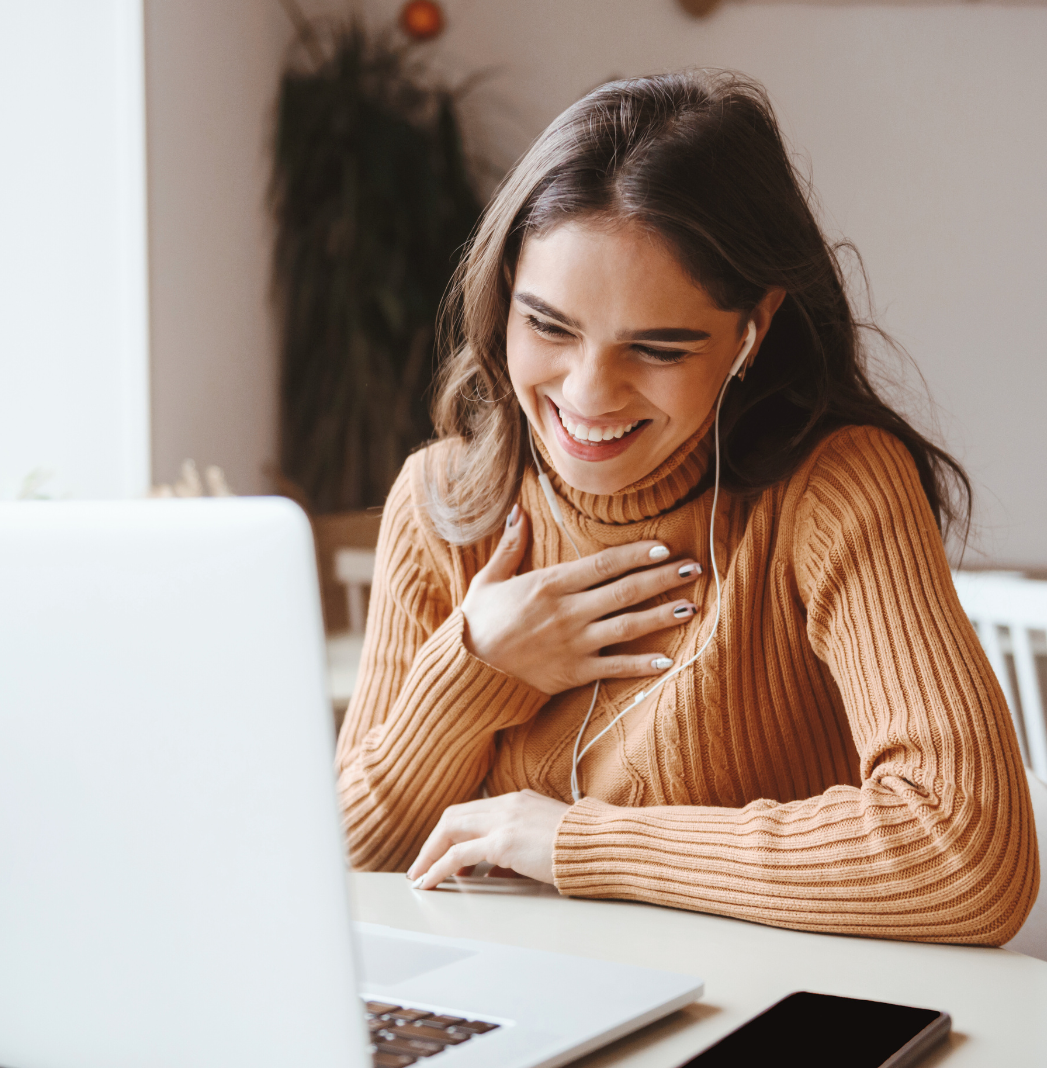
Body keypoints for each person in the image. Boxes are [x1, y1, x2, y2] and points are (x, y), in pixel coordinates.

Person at [336, 71, 1037, 944]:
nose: (587, 396)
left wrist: (579, 844)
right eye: (548, 326)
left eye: (658, 347)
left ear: (752, 330)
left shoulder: (836, 488)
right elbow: (346, 862)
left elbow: (966, 856)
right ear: (505, 290)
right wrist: (479, 669)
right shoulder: (446, 499)